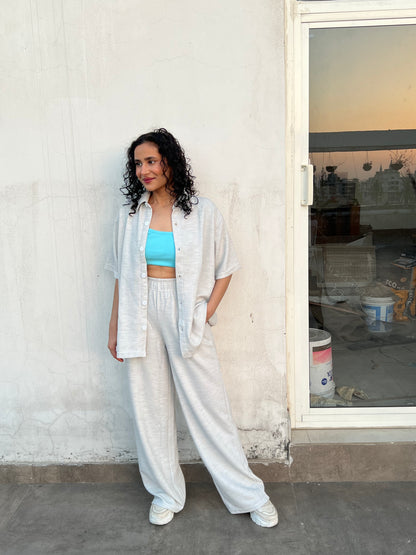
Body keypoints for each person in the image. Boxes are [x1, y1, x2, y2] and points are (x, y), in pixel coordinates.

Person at [106, 128, 278, 527]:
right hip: (139, 311)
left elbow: (226, 268)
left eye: (151, 161)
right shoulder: (129, 215)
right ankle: (165, 493)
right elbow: (120, 275)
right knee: (149, 406)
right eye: (138, 164)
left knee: (208, 405)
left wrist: (205, 311)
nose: (144, 170)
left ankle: (248, 494)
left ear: (169, 162)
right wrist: (115, 327)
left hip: (185, 310)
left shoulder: (202, 212)